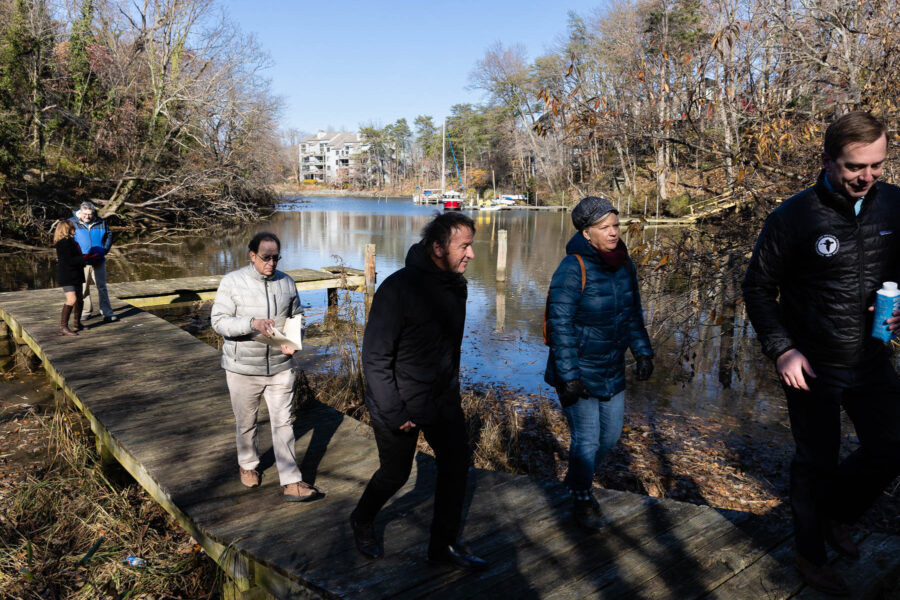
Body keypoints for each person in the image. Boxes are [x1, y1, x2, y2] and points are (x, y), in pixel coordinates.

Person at [743, 111, 900, 596]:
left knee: (891, 447)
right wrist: (782, 350)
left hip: (871, 356)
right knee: (817, 460)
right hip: (811, 363)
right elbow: (756, 289)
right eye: (856, 166)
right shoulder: (793, 217)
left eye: (877, 165)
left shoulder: (894, 204)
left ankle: (838, 515)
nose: (868, 177)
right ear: (829, 160)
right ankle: (810, 556)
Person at [349, 212, 487, 571]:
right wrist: (395, 412)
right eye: (465, 247)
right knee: (394, 475)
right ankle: (361, 518)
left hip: (442, 401)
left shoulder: (458, 286)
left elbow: (446, 348)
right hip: (397, 403)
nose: (471, 255)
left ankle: (442, 546)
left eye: (471, 246)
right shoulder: (398, 289)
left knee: (456, 469)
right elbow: (376, 357)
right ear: (438, 247)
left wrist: (450, 393)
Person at [544, 195, 654, 532]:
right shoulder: (571, 267)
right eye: (604, 227)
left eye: (616, 225)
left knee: (611, 435)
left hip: (612, 368)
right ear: (586, 233)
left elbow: (632, 313)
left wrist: (642, 351)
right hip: (577, 370)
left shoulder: (624, 264)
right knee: (588, 438)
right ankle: (580, 495)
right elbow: (559, 324)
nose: (613, 232)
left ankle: (578, 479)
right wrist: (569, 375)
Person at [210, 232, 321, 502]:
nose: (271, 263)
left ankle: (291, 480)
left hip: (281, 366)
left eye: (276, 257)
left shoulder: (287, 282)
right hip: (242, 367)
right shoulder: (232, 282)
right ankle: (248, 464)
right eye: (266, 257)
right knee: (246, 422)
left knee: (284, 423)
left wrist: (294, 340)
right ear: (252, 255)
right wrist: (251, 323)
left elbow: (297, 315)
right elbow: (219, 322)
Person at [68, 201, 117, 322]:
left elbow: (109, 235)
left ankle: (107, 313)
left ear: (93, 213)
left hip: (98, 260)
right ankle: (86, 311)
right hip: (81, 261)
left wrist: (104, 250)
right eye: (85, 214)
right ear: (80, 212)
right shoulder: (71, 222)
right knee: (83, 288)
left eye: (90, 214)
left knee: (102, 287)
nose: (87, 217)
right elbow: (66, 239)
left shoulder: (101, 222)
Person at [53, 220, 85, 336]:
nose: (75, 230)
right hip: (67, 276)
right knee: (72, 300)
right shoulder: (63, 243)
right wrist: (84, 259)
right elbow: (68, 261)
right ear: (67, 229)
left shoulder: (71, 241)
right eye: (73, 228)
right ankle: (63, 327)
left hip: (76, 274)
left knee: (80, 299)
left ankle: (77, 323)